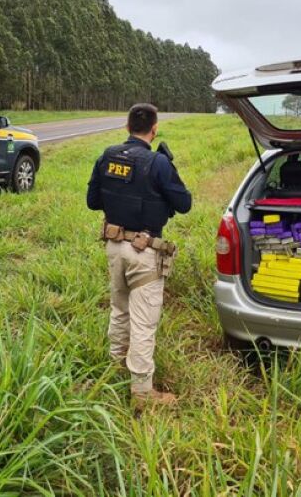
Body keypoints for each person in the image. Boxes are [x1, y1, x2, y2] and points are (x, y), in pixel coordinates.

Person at [86, 103, 192, 405]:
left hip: (114, 247)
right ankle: (143, 392)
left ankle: (115, 368)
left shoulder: (107, 156)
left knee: (119, 311)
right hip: (144, 252)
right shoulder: (157, 162)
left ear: (127, 126)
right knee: (144, 323)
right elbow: (184, 204)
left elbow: (93, 201)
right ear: (154, 128)